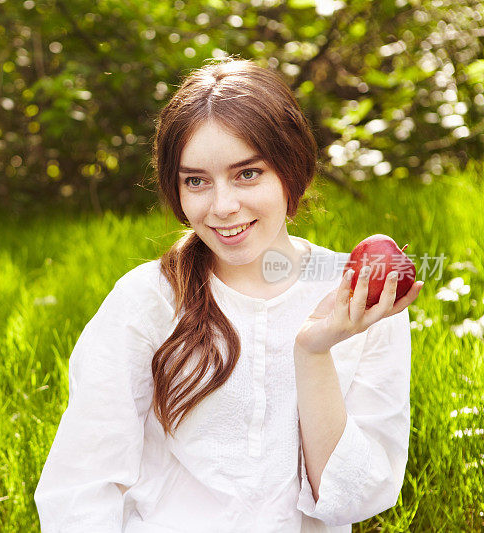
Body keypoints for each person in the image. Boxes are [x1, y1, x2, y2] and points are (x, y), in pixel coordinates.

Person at [33, 57, 424, 532]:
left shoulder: (359, 296)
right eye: (195, 181)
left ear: (291, 169)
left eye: (247, 174)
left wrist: (313, 351)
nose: (221, 207)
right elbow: (81, 487)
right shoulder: (146, 300)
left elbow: (351, 501)